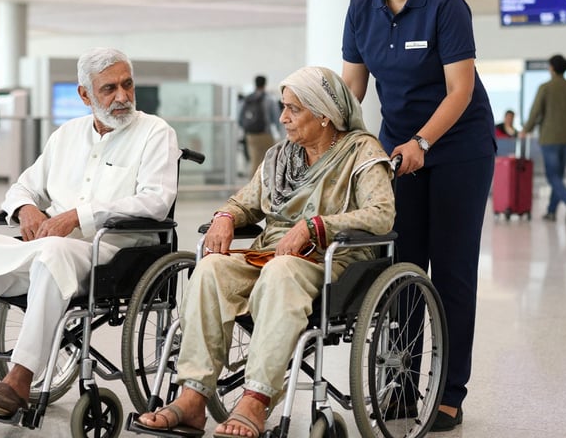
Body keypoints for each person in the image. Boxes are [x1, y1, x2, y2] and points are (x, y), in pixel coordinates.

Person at [0, 48, 179, 418]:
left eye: (127, 84)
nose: (122, 96)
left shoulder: (155, 133)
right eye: (109, 89)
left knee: (52, 252)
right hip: (50, 251)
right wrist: (25, 208)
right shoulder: (66, 135)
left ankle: (19, 381)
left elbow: (155, 201)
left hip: (113, 254)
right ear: (85, 95)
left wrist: (78, 216)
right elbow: (23, 187)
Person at [134, 66, 396, 438]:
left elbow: (381, 214)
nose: (283, 117)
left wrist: (314, 226)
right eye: (283, 106)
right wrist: (225, 217)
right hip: (271, 255)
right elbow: (245, 202)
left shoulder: (361, 151)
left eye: (294, 109)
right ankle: (192, 398)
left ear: (324, 114)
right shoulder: (279, 156)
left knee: (281, 271)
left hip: (329, 261)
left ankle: (255, 401)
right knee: (210, 269)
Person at [341, 0, 496, 432]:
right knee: (400, 269)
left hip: (458, 150)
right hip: (397, 152)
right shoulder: (361, 8)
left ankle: (449, 393)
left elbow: (460, 90)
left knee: (451, 272)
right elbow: (352, 88)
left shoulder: (444, 5)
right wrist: (330, 133)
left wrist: (422, 143)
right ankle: (402, 386)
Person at [519, 54, 566, 223]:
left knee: (552, 176)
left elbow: (535, 111)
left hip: (550, 138)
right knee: (558, 175)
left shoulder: (546, 87)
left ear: (552, 68)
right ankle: (551, 211)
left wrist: (526, 129)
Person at [238, 75, 281, 176]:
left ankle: (253, 183)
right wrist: (278, 132)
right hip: (265, 134)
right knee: (269, 160)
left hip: (251, 135)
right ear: (265, 84)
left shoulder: (247, 99)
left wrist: (247, 129)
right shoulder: (269, 99)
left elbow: (240, 118)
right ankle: (267, 182)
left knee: (254, 160)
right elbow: (276, 118)